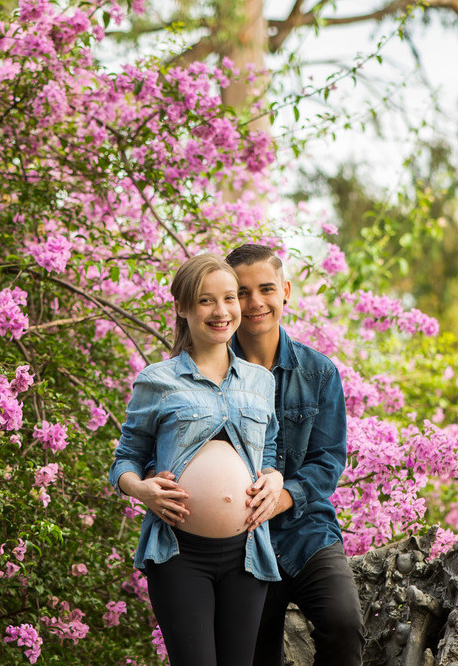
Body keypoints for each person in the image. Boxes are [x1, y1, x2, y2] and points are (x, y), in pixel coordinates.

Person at [110, 253, 285, 666]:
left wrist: (275, 479)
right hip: (178, 555)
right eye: (206, 301)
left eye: (229, 298)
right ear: (182, 307)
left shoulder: (262, 382)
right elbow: (126, 459)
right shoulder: (158, 379)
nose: (222, 311)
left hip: (248, 553)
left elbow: (270, 451)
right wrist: (142, 489)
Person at [225, 243, 366, 666]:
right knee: (254, 653)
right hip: (237, 542)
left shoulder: (319, 373)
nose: (254, 303)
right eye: (241, 292)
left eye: (265, 289)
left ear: (285, 291)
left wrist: (282, 495)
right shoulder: (208, 373)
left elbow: (328, 460)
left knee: (344, 625)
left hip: (307, 532)